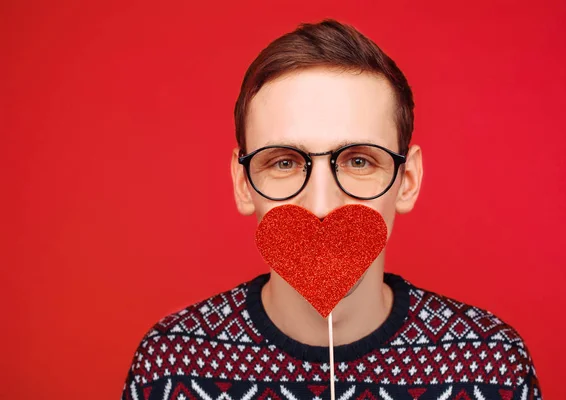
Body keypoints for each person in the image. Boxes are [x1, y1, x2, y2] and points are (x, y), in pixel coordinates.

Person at [121, 19, 542, 400]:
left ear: (408, 180)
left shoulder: (492, 368)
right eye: (284, 162)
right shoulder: (170, 366)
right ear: (242, 182)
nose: (321, 205)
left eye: (359, 161)